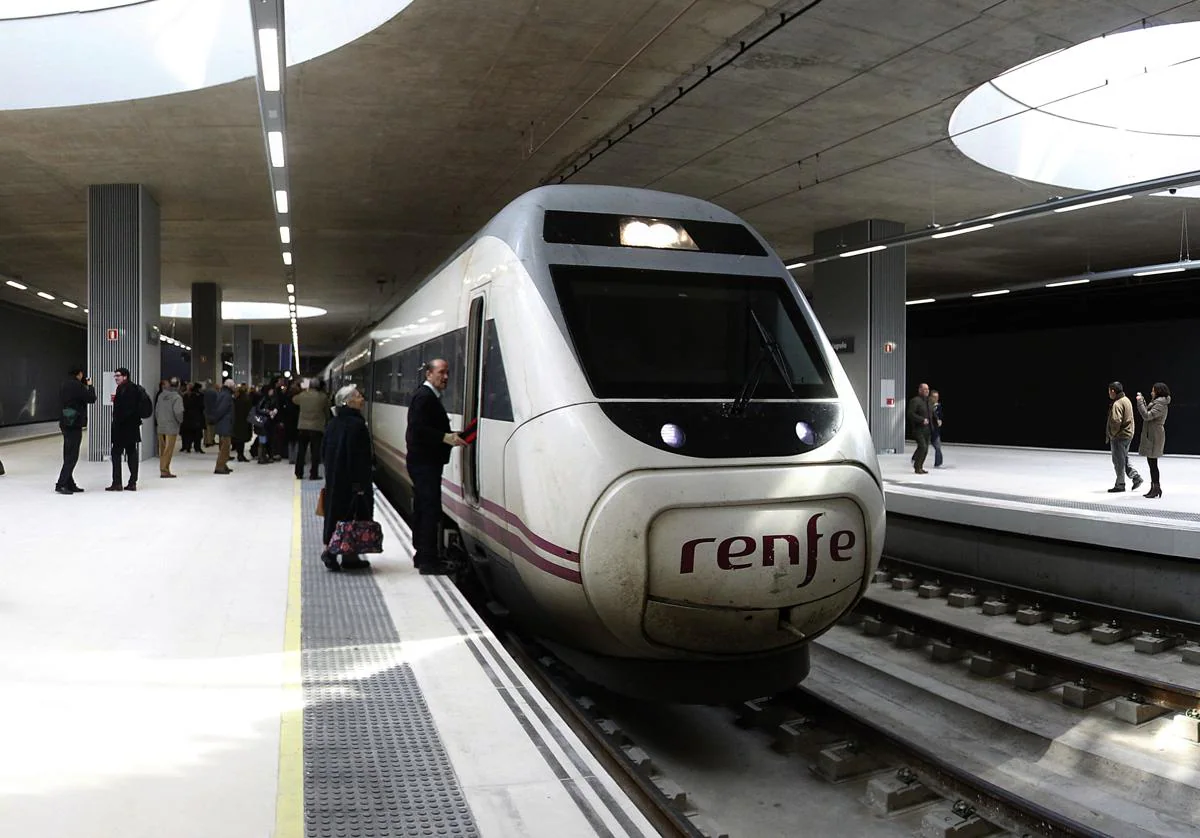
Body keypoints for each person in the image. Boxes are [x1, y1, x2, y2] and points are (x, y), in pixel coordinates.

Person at [405, 359, 466, 574]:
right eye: (441, 372)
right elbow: (418, 429)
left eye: (447, 372)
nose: (446, 377)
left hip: (424, 462)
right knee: (430, 509)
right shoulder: (424, 397)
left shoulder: (427, 396)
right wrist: (445, 437)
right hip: (425, 463)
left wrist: (449, 436)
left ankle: (422, 555)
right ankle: (428, 561)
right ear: (429, 374)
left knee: (424, 507)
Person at [321, 385, 376, 571]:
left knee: (336, 516)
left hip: (335, 479)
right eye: (359, 396)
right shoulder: (357, 425)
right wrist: (360, 484)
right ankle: (340, 555)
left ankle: (338, 553)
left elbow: (324, 451)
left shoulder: (333, 423)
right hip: (353, 481)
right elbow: (360, 457)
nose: (362, 399)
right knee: (353, 518)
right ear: (348, 401)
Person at [56, 366, 97, 494]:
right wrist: (90, 386)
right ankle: (61, 483)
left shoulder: (64, 385)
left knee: (68, 453)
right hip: (74, 422)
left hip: (65, 421)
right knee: (72, 455)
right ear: (79, 374)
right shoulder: (78, 386)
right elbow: (91, 398)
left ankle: (69, 483)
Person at [107, 367, 144, 492]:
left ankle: (117, 483)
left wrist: (118, 422)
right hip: (131, 428)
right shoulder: (132, 388)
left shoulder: (126, 389)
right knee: (131, 453)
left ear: (125, 376)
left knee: (116, 454)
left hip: (123, 429)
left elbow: (125, 410)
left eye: (118, 375)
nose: (116, 378)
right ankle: (132, 482)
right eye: (115, 376)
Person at [1105, 381, 1142, 493]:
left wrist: (1112, 434)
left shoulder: (1117, 403)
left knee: (1118, 461)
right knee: (1123, 458)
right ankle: (1135, 477)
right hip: (1128, 434)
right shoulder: (1126, 400)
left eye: (1109, 391)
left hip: (1120, 436)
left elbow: (1116, 421)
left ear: (1112, 391)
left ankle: (1120, 484)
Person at [1135, 383, 1171, 499]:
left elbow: (1146, 416)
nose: (1151, 392)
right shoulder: (1157, 403)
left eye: (1153, 390)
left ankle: (1156, 488)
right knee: (1152, 463)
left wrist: (1140, 402)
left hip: (1155, 435)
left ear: (1158, 392)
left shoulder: (1160, 404)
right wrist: (1143, 402)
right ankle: (1154, 487)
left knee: (1153, 463)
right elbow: (1148, 413)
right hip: (1152, 434)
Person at [294, 378, 328, 480]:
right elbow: (327, 411)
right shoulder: (323, 397)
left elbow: (294, 400)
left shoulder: (303, 395)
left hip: (302, 427)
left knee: (301, 451)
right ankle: (313, 474)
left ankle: (299, 473)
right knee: (315, 453)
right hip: (316, 427)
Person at [155, 377, 184, 478]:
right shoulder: (177, 397)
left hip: (161, 426)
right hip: (171, 427)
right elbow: (179, 412)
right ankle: (164, 470)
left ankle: (162, 468)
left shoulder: (161, 396)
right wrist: (180, 421)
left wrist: (159, 421)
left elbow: (157, 411)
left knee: (162, 449)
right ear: (178, 385)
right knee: (169, 449)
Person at [906, 382, 932, 475]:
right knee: (922, 447)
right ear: (920, 390)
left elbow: (931, 413)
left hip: (928, 429)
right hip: (918, 429)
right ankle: (917, 467)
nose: (927, 391)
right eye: (925, 389)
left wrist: (937, 421)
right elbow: (910, 414)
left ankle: (920, 466)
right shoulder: (915, 401)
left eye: (928, 389)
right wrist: (921, 420)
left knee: (926, 449)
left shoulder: (928, 401)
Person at [212, 379, 236, 474]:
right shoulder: (227, 396)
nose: (234, 387)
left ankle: (223, 464)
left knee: (224, 446)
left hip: (223, 424)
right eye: (233, 386)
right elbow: (222, 410)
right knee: (225, 447)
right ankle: (220, 466)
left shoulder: (223, 394)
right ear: (230, 386)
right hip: (225, 424)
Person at [181, 382, 206, 453]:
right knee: (197, 434)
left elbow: (185, 406)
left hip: (188, 417)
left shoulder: (186, 396)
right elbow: (202, 406)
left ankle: (188, 447)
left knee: (189, 433)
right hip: (197, 417)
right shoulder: (200, 396)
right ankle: (197, 447)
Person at [929, 389, 944, 468]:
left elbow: (940, 416)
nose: (936, 398)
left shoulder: (938, 406)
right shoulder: (927, 405)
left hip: (935, 430)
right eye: (934, 397)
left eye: (937, 397)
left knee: (938, 447)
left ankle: (938, 463)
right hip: (927, 430)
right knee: (922, 447)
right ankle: (915, 459)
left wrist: (940, 420)